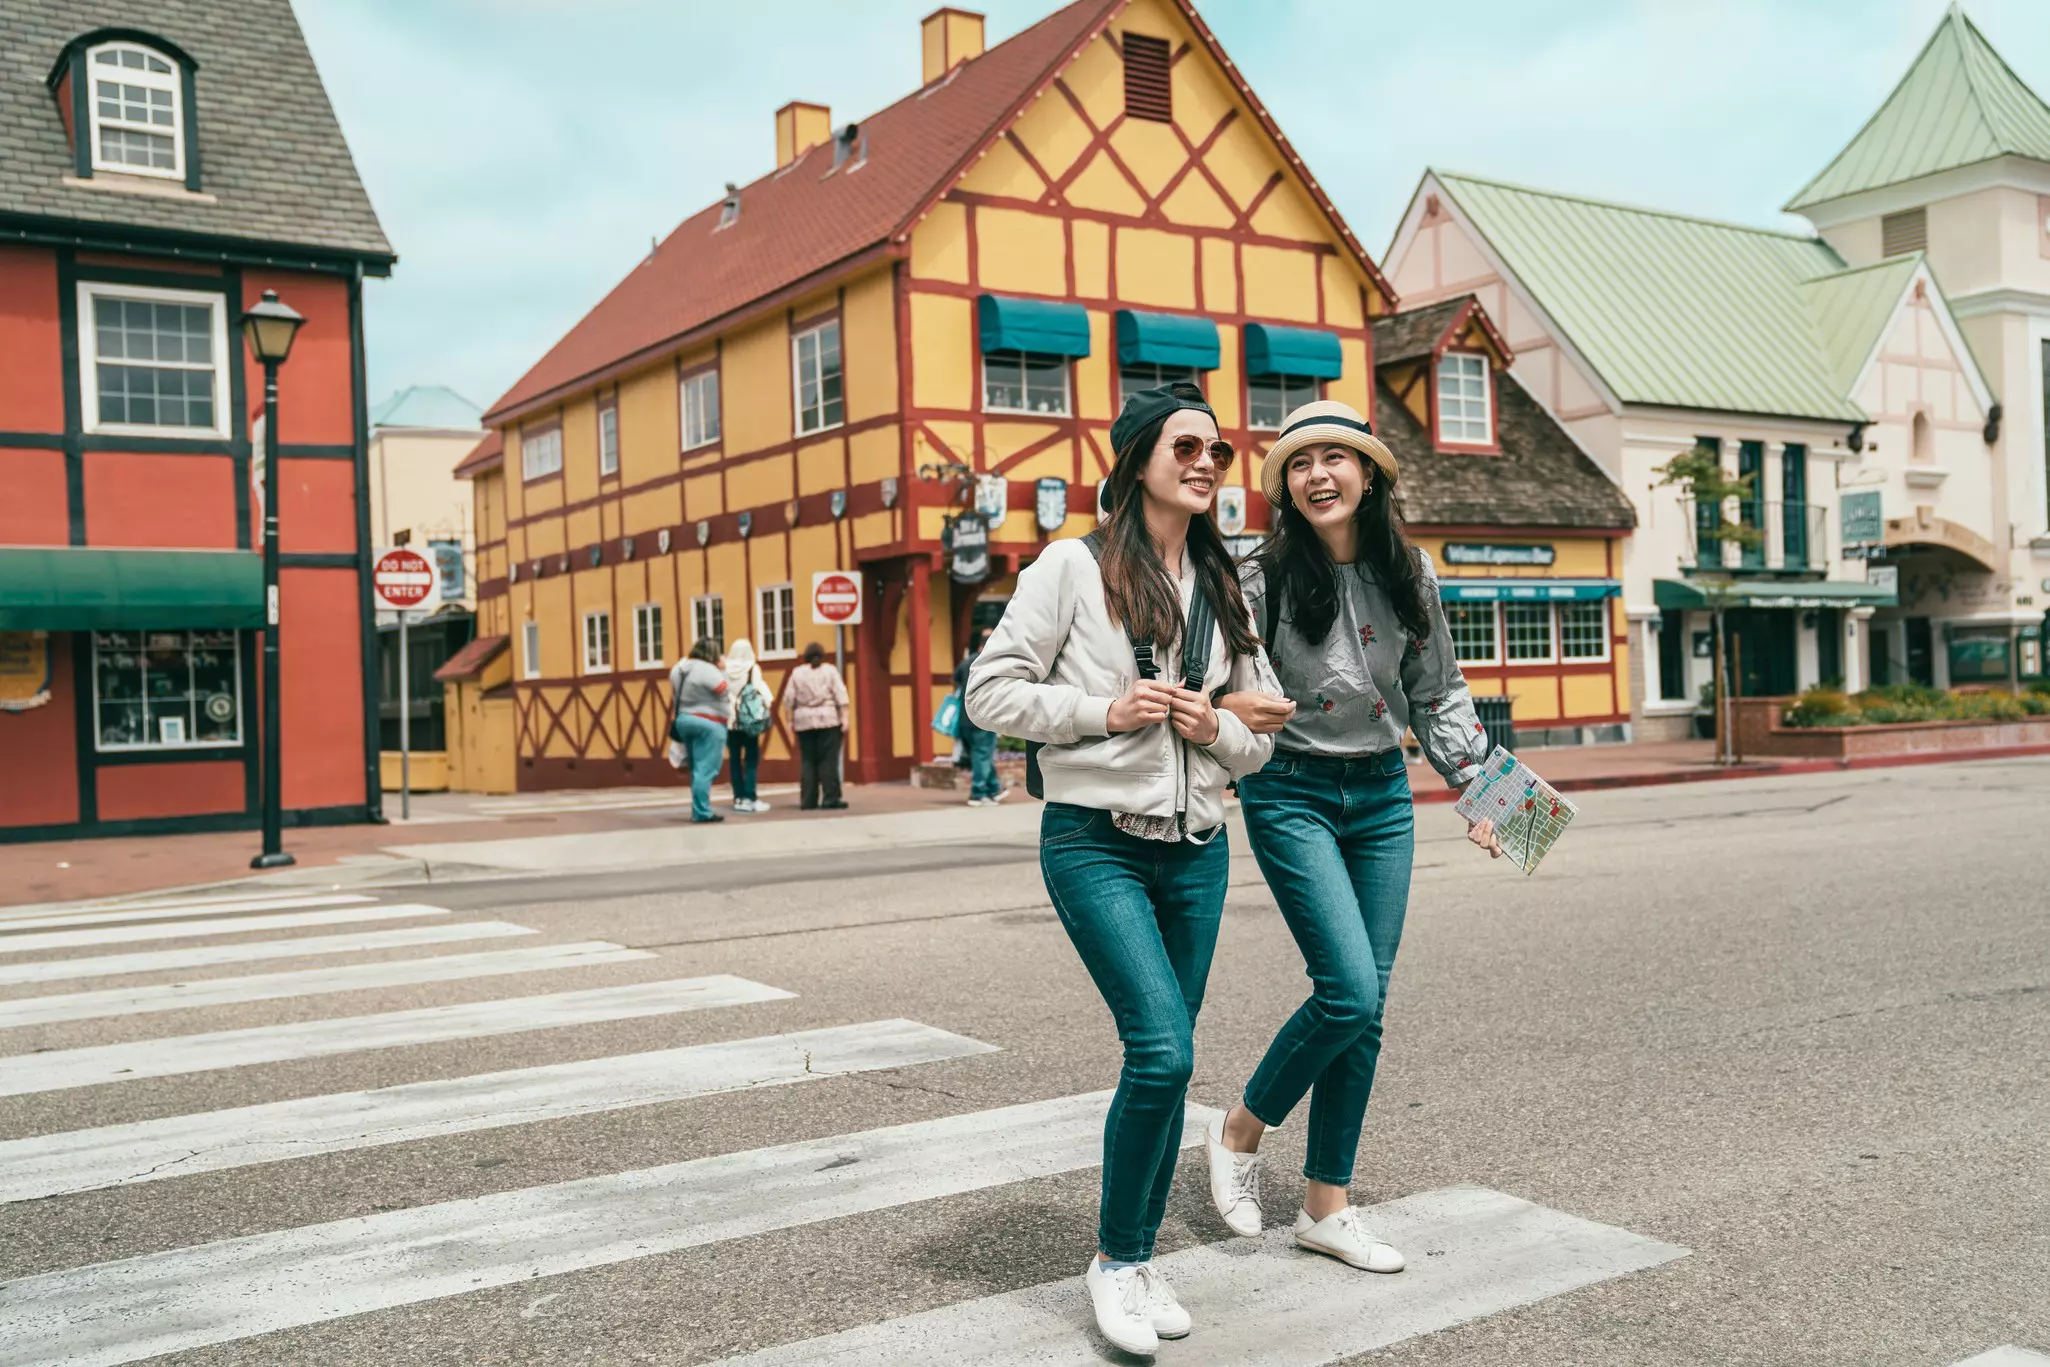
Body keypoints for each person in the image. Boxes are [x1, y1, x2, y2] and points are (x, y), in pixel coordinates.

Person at [966, 382, 1278, 1357]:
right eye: (1186, 445)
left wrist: (1210, 723)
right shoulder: (1072, 564)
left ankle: (1137, 1258)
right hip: (1095, 840)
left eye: (1218, 451)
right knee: (1163, 1051)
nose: (1206, 462)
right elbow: (988, 692)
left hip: (1197, 851)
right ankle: (1114, 1258)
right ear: (1139, 456)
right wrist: (1105, 712)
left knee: (1165, 1063)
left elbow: (1256, 735)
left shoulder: (1226, 586)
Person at [1204, 399, 1503, 1276]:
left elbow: (1438, 690)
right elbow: (1216, 682)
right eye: (1300, 463)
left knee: (1368, 1006)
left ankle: (1326, 1204)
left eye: (1336, 458)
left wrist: (1485, 790)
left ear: (1369, 475)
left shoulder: (1408, 570)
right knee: (1347, 989)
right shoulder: (1255, 576)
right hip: (1290, 792)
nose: (1318, 475)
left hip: (1379, 794)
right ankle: (1240, 1126)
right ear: (1286, 487)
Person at [667, 638, 732, 824]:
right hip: (709, 723)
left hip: (684, 720)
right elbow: (724, 689)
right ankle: (702, 812)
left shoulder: (680, 667)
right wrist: (723, 669)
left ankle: (698, 808)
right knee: (705, 769)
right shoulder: (707, 669)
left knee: (696, 769)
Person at [788, 641, 849, 810]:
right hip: (828, 718)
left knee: (808, 761)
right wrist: (845, 717)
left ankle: (808, 800)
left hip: (804, 720)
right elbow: (841, 695)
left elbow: (789, 699)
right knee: (828, 760)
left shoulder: (796, 673)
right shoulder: (830, 671)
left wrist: (789, 721)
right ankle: (831, 797)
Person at [954, 628, 1004, 807]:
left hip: (963, 720)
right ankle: (978, 793)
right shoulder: (990, 663)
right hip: (983, 718)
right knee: (982, 755)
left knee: (981, 754)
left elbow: (956, 680)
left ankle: (994, 789)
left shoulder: (966, 663)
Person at [723, 637, 774, 813]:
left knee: (735, 760)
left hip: (731, 722)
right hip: (749, 720)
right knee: (751, 758)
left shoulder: (725, 670)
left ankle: (738, 797)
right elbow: (759, 690)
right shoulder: (752, 668)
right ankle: (750, 796)